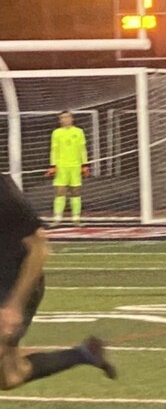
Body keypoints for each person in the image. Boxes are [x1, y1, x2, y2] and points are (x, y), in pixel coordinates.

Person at [1, 174, 116, 390]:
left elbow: (39, 249)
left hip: (16, 284)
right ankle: (84, 354)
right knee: (10, 377)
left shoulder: (3, 193)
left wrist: (14, 307)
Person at [47, 110, 89, 224]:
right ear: (60, 120)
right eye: (62, 118)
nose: (65, 119)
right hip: (61, 167)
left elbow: (82, 150)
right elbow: (54, 150)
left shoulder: (79, 132)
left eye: (67, 117)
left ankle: (76, 218)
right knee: (60, 191)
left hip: (75, 166)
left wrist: (84, 164)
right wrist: (53, 165)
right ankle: (57, 218)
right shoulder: (56, 133)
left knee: (75, 191)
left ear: (72, 118)